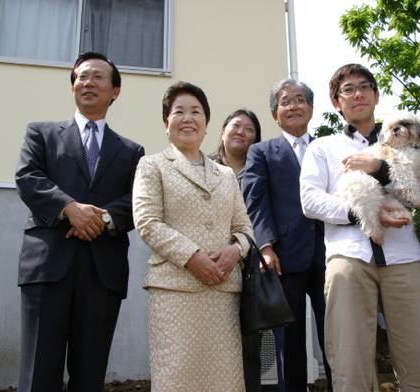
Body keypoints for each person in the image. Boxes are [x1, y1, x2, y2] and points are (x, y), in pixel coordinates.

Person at [300, 64, 420, 392]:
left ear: (376, 95)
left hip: (404, 255)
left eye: (365, 86)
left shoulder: (406, 137)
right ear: (337, 103)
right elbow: (310, 201)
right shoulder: (323, 147)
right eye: (347, 89)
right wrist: (367, 214)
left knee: (419, 352)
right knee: (349, 359)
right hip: (348, 258)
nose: (357, 93)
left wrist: (380, 168)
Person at [15, 52, 145, 392]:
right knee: (39, 372)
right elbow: (28, 177)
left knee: (89, 375)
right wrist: (69, 208)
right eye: (81, 77)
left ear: (115, 91)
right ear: (73, 86)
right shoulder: (41, 134)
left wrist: (100, 219)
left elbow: (138, 199)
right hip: (48, 265)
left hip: (102, 271)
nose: (88, 83)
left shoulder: (132, 151)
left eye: (98, 77)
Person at [132, 82, 254, 392]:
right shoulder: (153, 165)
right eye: (179, 112)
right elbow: (147, 222)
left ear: (207, 123)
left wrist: (236, 250)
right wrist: (192, 257)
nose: (188, 118)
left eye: (196, 112)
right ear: (166, 122)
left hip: (223, 288)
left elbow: (245, 227)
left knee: (224, 379)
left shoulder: (225, 174)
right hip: (175, 289)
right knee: (178, 376)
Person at [243, 79, 332, 392]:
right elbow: (255, 201)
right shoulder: (262, 152)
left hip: (330, 254)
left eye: (300, 99)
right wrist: (265, 247)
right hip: (283, 258)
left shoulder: (327, 147)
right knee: (290, 343)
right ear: (274, 114)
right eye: (285, 101)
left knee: (335, 336)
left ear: (310, 108)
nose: (294, 105)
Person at [211, 109, 262, 392]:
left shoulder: (261, 171)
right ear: (222, 131)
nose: (241, 131)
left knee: (249, 343)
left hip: (251, 267)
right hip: (213, 265)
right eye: (235, 125)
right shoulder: (203, 166)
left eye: (250, 128)